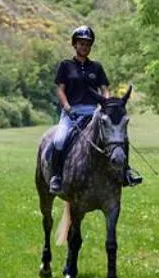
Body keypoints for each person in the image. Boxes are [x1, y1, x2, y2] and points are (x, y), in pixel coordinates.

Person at [46, 25, 142, 195]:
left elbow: (104, 89)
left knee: (119, 138)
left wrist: (105, 104)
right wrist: (67, 106)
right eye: (81, 43)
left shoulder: (96, 67)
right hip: (71, 112)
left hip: (94, 112)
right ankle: (57, 176)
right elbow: (60, 89)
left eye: (88, 44)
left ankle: (125, 173)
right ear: (75, 45)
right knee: (59, 140)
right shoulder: (66, 66)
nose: (85, 47)